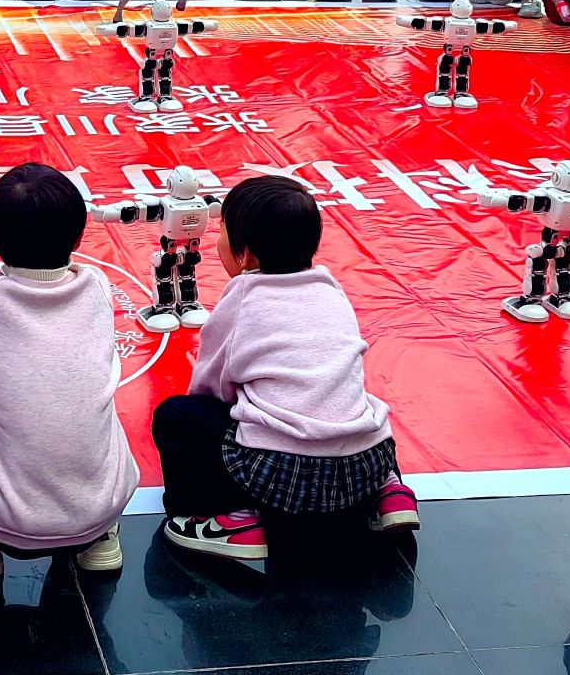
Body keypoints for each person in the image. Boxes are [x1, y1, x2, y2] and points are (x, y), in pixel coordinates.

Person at [151, 176, 413, 563]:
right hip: (367, 465)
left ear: (245, 256)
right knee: (359, 404)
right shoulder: (330, 288)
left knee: (177, 416)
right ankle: (388, 493)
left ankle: (219, 519)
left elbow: (212, 388)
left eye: (221, 231)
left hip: (281, 476)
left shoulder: (242, 297)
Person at [0, 164, 137, 578]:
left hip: (2, 520)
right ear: (79, 238)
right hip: (102, 507)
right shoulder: (99, 286)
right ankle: (99, 540)